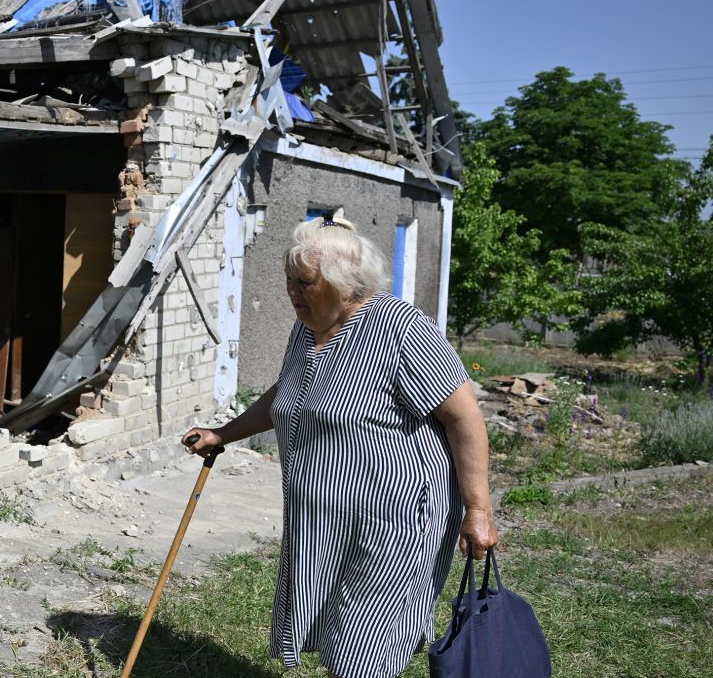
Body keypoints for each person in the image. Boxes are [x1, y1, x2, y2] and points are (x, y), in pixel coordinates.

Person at [183, 214, 498, 678]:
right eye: (289, 281)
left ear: (343, 282)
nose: (292, 294)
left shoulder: (401, 327)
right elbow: (288, 392)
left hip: (392, 525)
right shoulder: (308, 330)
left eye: (304, 283)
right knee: (340, 635)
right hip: (322, 525)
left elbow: (464, 418)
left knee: (364, 647)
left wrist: (479, 508)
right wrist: (223, 434)